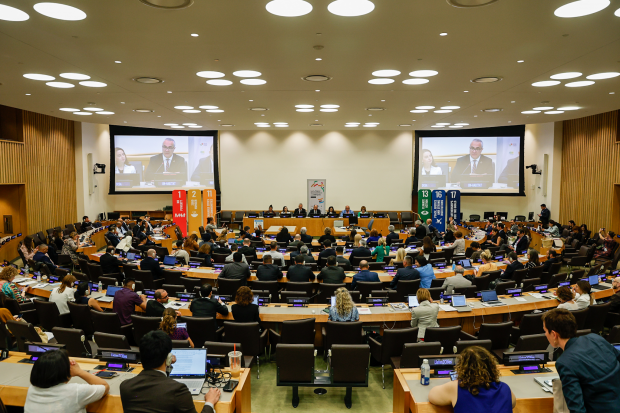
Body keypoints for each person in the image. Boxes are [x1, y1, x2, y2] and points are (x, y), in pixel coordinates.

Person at [542, 308, 620, 413]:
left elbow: (577, 408)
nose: (545, 335)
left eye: (545, 331)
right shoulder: (596, 338)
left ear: (554, 334)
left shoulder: (564, 362)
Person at [120, 330, 220, 413]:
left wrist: (167, 366)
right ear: (168, 358)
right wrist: (209, 402)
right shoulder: (178, 390)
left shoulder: (125, 387)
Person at [428, 346, 516, 412]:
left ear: (462, 368)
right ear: (491, 366)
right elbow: (512, 403)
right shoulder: (505, 388)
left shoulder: (456, 387)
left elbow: (432, 395)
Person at [25, 349, 109, 413]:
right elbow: (104, 386)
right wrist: (79, 372)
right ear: (63, 371)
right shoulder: (75, 391)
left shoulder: (32, 389)